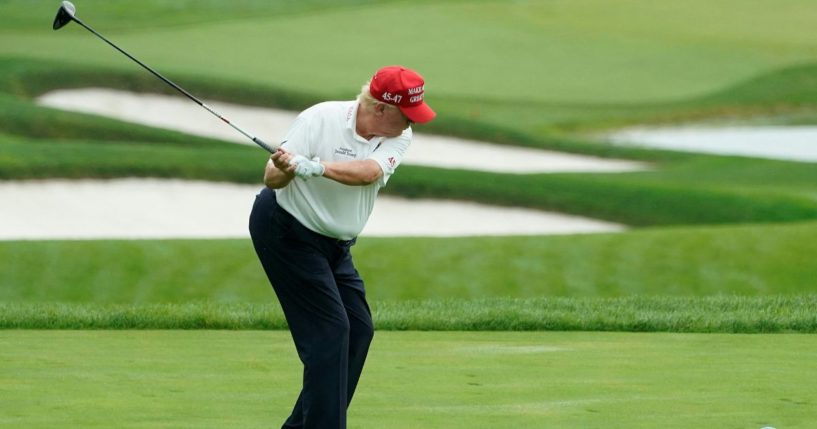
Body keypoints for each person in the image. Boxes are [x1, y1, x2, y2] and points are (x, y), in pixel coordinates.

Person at [248, 65, 436, 429]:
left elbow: (368, 171)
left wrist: (316, 168)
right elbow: (271, 179)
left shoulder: (399, 137)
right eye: (407, 114)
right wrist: (286, 167)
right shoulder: (320, 118)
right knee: (330, 333)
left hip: (334, 244)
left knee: (358, 329)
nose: (412, 123)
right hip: (286, 231)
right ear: (380, 108)